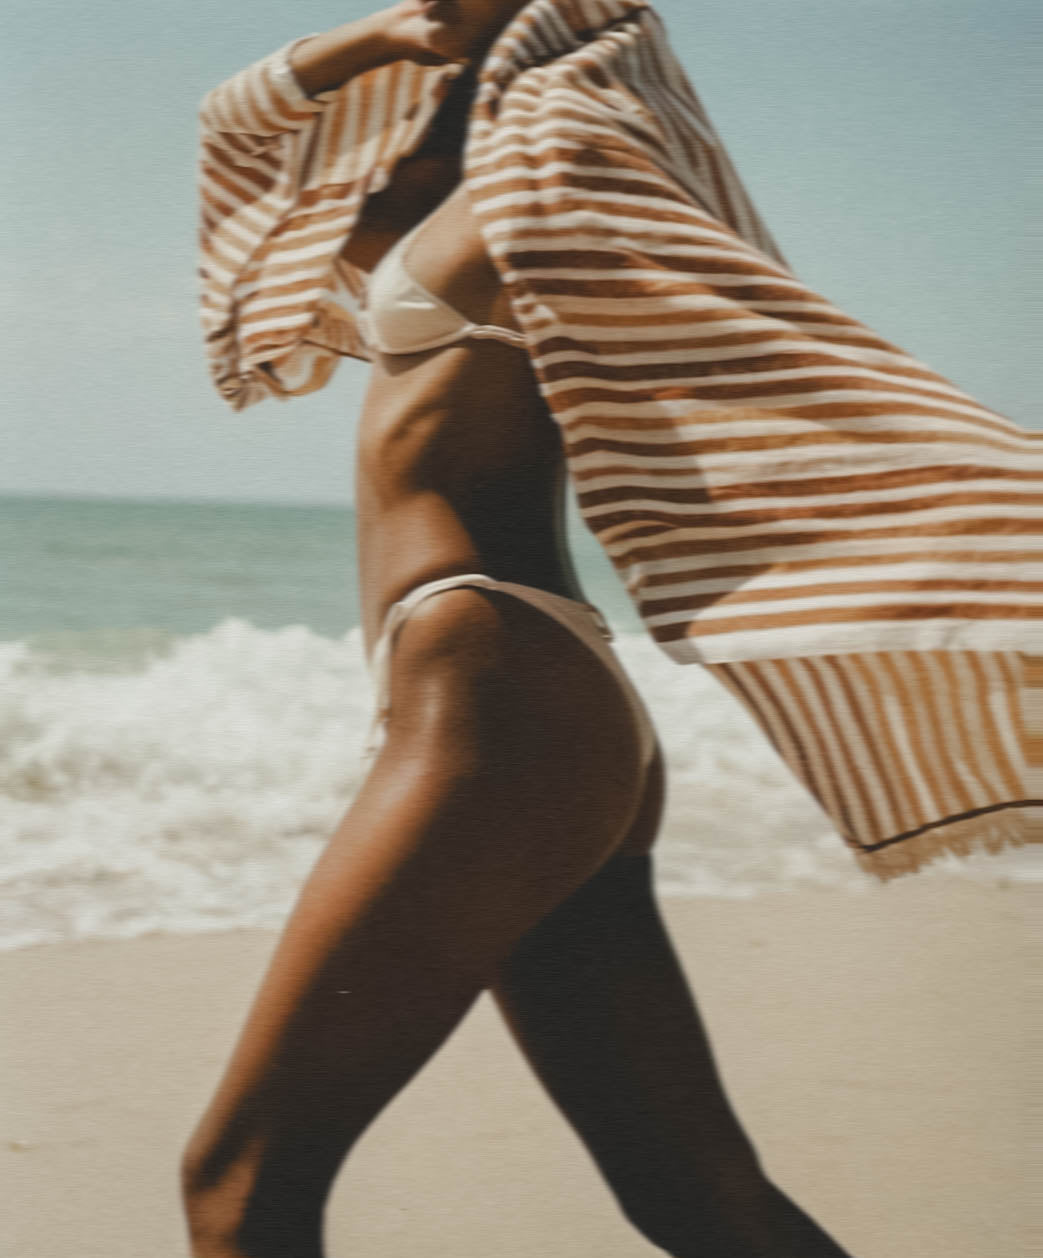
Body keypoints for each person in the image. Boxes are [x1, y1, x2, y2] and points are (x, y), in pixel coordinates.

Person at [183, 1, 1038, 1254]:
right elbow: (238, 128)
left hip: (495, 693)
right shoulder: (448, 187)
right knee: (693, 1194)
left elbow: (768, 345)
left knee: (238, 1184)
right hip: (517, 706)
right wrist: (390, 36)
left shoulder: (551, 165)